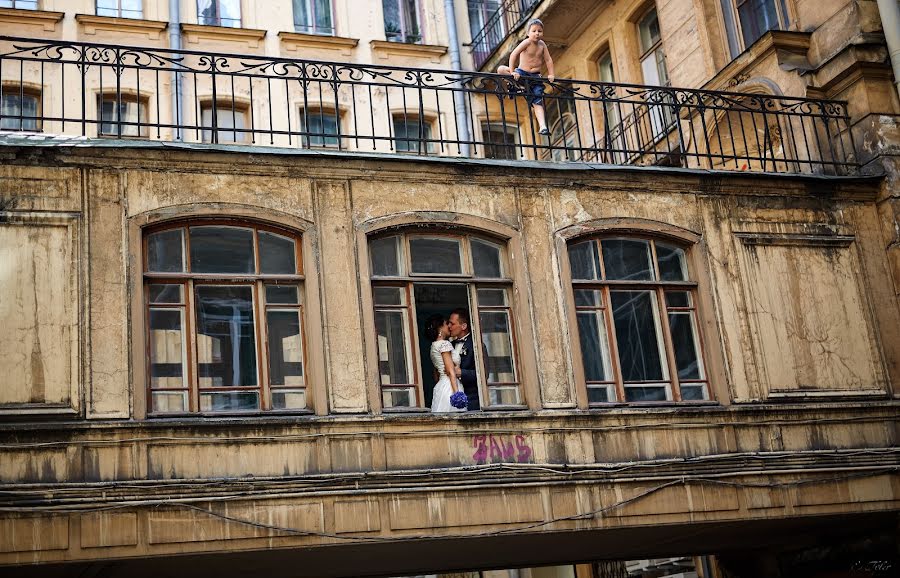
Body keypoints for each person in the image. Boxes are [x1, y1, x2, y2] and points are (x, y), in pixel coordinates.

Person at [506, 19, 555, 135]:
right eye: (534, 31)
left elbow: (548, 60)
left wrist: (551, 73)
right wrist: (513, 72)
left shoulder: (542, 45)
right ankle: (514, 85)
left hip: (536, 77)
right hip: (522, 73)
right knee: (501, 70)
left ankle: (543, 127)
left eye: (540, 31)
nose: (537, 33)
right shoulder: (526, 43)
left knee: (538, 100)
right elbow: (513, 54)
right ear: (528, 33)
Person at [426, 315, 465, 413]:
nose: (449, 326)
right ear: (440, 328)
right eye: (446, 324)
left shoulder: (433, 345)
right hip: (450, 386)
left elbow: (436, 374)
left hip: (441, 385)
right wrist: (457, 393)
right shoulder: (444, 344)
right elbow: (450, 370)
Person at [448, 309, 480, 411]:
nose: (449, 326)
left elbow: (484, 375)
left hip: (471, 399)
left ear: (463, 326)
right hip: (451, 394)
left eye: (452, 324)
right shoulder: (449, 345)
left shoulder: (476, 345)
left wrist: (462, 373)